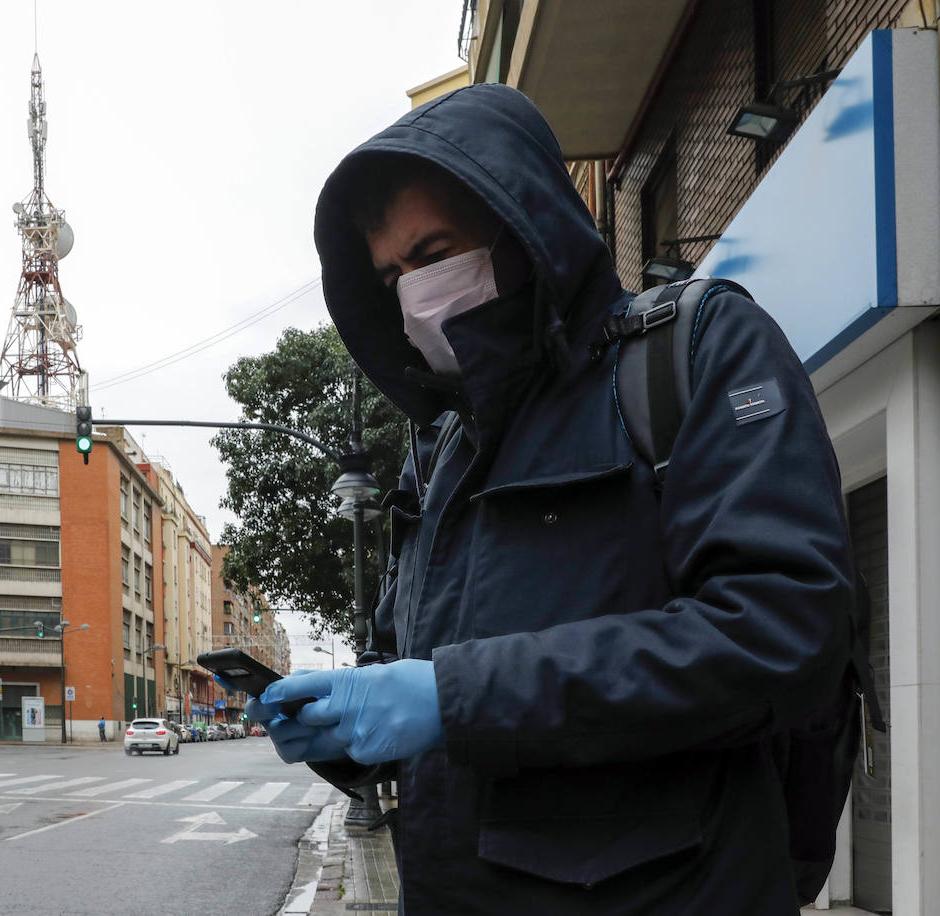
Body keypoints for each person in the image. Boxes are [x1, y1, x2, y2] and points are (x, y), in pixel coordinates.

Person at [248, 84, 856, 914]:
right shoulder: (438, 453)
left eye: (433, 252)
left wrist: (448, 697)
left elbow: (784, 631)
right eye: (391, 273)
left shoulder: (696, 351)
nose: (413, 292)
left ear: (522, 226)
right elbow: (423, 688)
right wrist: (349, 733)